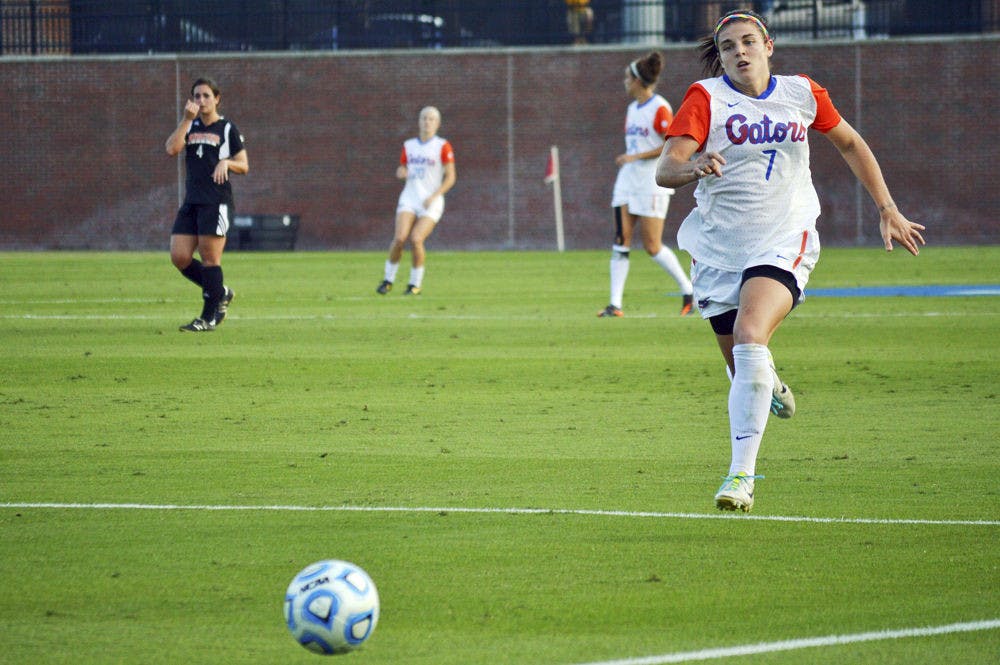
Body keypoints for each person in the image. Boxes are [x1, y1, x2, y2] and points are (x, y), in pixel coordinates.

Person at [654, 10, 925, 512]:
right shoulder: (705, 98)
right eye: (730, 44)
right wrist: (692, 166)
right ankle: (769, 381)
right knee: (743, 369)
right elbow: (665, 169)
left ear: (768, 45)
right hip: (718, 249)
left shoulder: (802, 93)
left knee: (750, 334)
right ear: (722, 55)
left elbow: (849, 142)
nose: (740, 51)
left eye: (749, 41)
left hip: (785, 237)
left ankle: (741, 477)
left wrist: (887, 208)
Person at [599, 51, 694, 318]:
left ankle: (688, 290)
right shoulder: (632, 109)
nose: (625, 81)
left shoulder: (660, 107)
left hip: (652, 181)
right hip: (627, 180)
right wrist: (631, 159)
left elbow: (669, 143)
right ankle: (614, 305)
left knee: (652, 245)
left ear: (639, 80)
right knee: (620, 240)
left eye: (628, 77)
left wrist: (635, 156)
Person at [165, 77, 248, 332]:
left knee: (211, 259)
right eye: (196, 96)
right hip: (192, 201)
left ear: (216, 98)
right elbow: (171, 149)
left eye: (205, 96)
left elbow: (244, 165)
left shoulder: (226, 129)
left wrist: (227, 163)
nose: (200, 101)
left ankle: (209, 317)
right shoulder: (190, 125)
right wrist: (186, 120)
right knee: (179, 256)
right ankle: (220, 291)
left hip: (216, 201)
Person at [376, 106, 456, 296]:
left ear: (437, 123)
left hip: (431, 201)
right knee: (400, 238)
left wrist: (435, 196)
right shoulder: (409, 145)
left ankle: (415, 284)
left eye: (431, 119)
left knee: (416, 238)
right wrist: (401, 172)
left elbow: (451, 177)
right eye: (424, 118)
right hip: (410, 198)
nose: (427, 122)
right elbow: (402, 169)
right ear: (419, 122)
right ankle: (388, 280)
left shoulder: (442, 146)